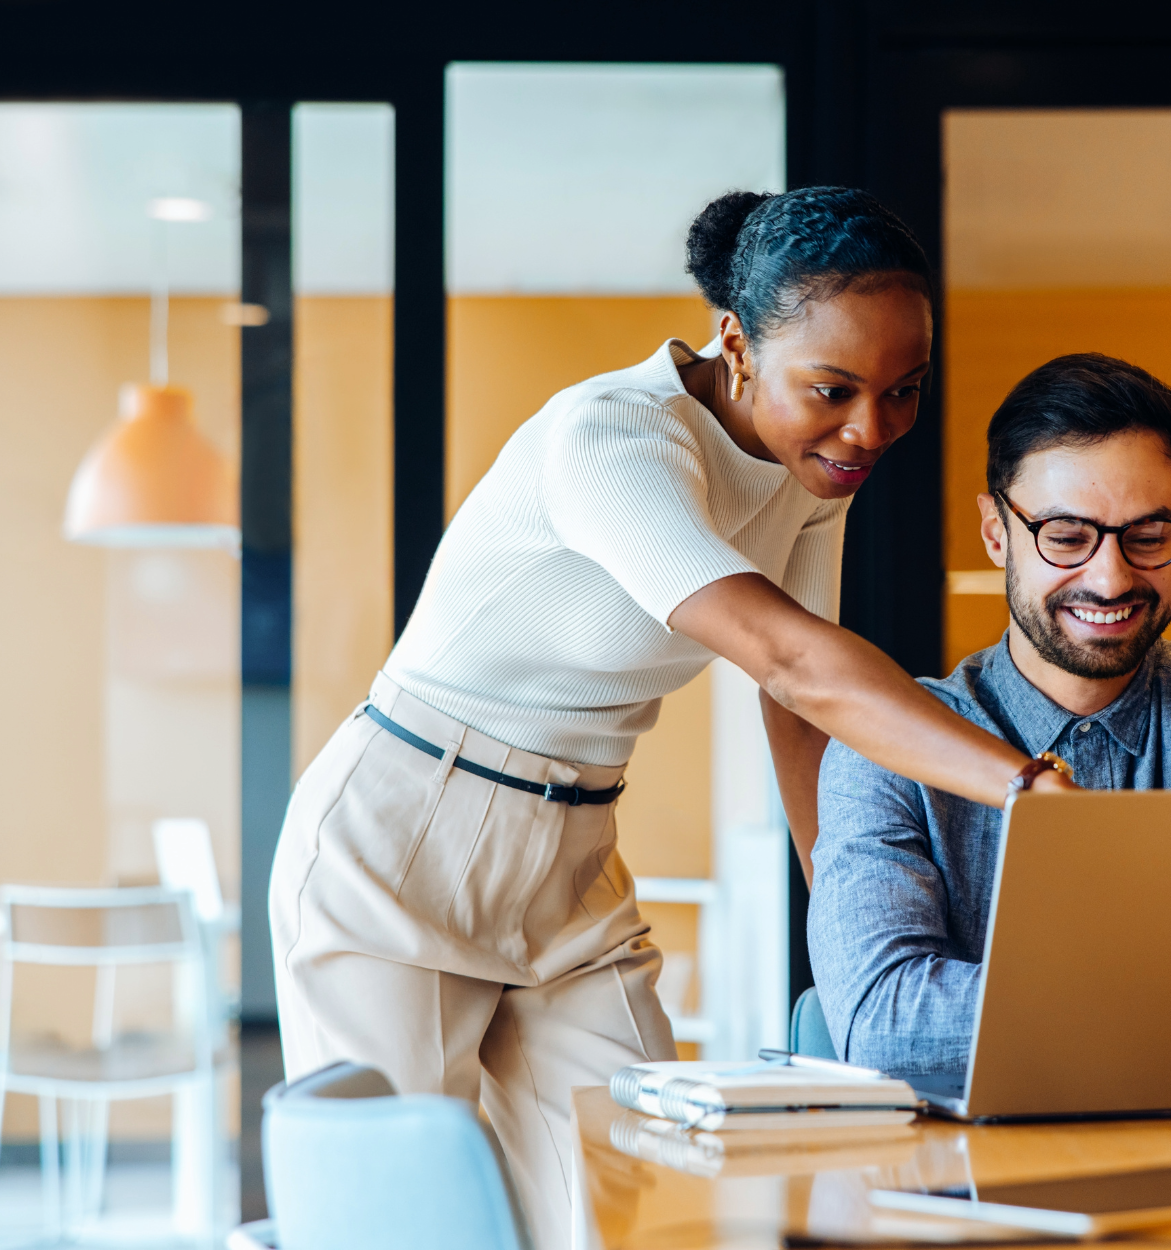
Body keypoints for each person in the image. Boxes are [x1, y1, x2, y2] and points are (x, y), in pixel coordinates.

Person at [268, 187, 1078, 1248]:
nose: (868, 428)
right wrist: (1025, 784)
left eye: (903, 390)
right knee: (403, 1223)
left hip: (571, 852)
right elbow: (790, 661)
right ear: (736, 345)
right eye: (832, 388)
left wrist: (844, 921)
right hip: (402, 834)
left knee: (647, 1199)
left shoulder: (809, 474)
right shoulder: (610, 439)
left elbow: (799, 719)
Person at [807, 353, 1171, 1075]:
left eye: (1147, 537)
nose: (1110, 578)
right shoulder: (882, 746)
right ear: (995, 533)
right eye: (1068, 538)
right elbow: (885, 1025)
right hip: (959, 1184)